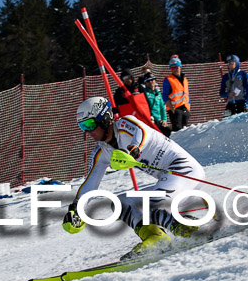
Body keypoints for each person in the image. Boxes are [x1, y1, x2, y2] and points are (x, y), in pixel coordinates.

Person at [63, 96, 204, 258]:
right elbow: (90, 183)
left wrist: (135, 148)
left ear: (104, 118)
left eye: (89, 124)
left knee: (151, 204)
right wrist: (76, 208)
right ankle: (154, 236)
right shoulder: (101, 152)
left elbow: (142, 132)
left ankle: (189, 227)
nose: (88, 132)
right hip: (169, 182)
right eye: (83, 127)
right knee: (120, 203)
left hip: (185, 171)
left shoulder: (124, 124)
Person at [162, 55, 190, 132]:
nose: (174, 69)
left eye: (176, 67)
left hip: (185, 108)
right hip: (175, 109)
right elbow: (164, 95)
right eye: (172, 68)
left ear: (180, 66)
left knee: (185, 130)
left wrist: (188, 108)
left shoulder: (185, 79)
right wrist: (171, 108)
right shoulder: (168, 79)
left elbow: (187, 94)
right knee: (178, 130)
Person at [141, 72, 172, 137]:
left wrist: (164, 120)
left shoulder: (158, 93)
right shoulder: (144, 93)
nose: (151, 82)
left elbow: (162, 108)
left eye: (152, 80)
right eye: (148, 81)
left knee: (167, 130)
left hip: (158, 119)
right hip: (150, 119)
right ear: (145, 83)